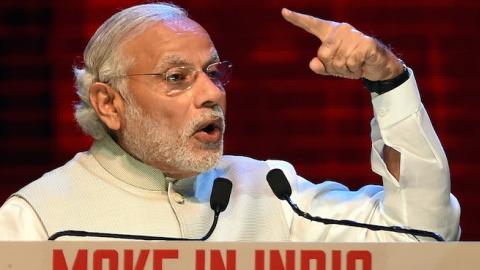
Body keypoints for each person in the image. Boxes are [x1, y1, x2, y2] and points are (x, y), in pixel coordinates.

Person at [0, 3, 460, 241]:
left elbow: (423, 236)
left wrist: (388, 81)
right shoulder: (38, 219)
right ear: (109, 103)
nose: (212, 93)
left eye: (215, 73)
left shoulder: (270, 192)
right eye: (177, 77)